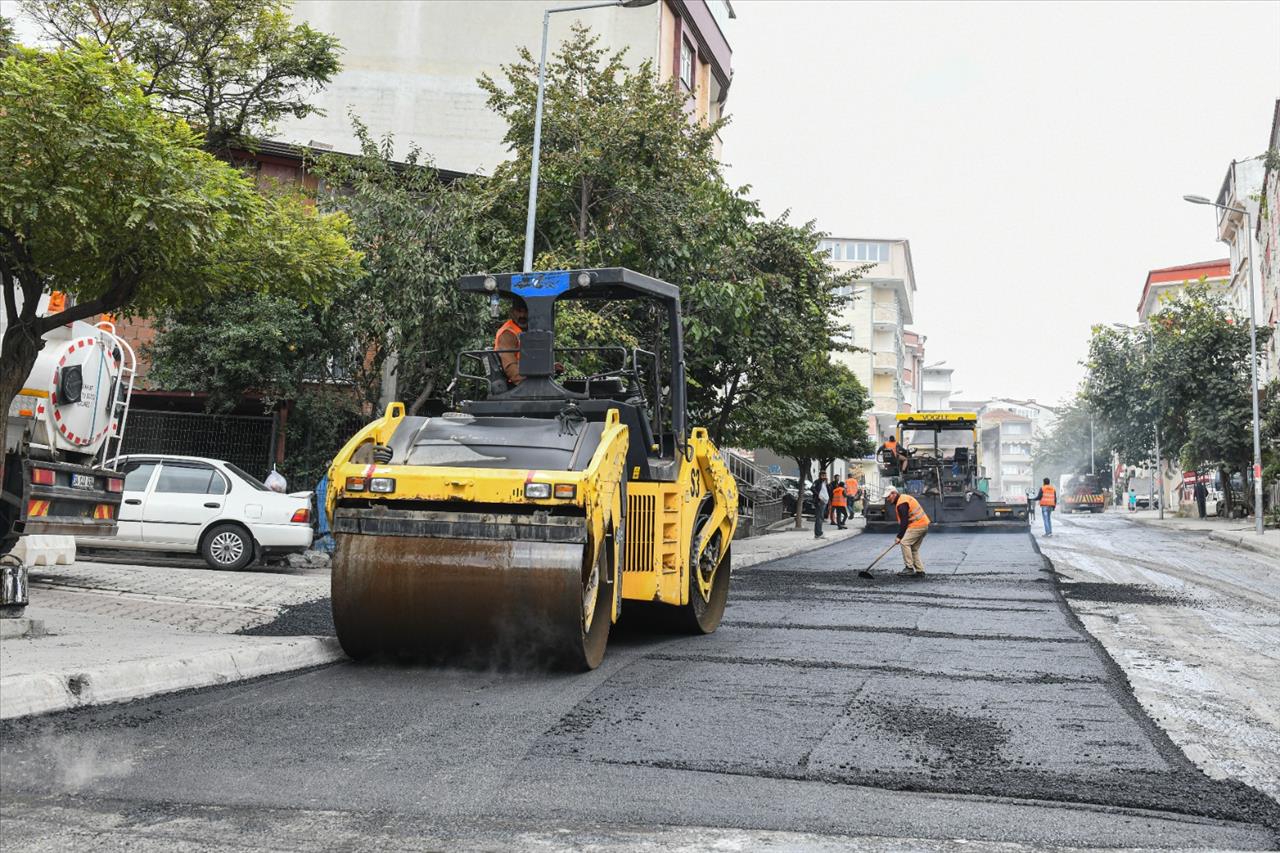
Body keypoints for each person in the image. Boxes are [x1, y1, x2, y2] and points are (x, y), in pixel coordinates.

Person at [885, 486, 929, 575]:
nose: (887, 499)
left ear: (894, 494)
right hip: (924, 525)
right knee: (914, 549)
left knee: (904, 542)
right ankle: (920, 571)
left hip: (917, 525)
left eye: (888, 496)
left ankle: (909, 568)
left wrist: (899, 537)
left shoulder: (902, 503)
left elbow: (904, 522)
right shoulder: (903, 499)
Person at [493, 298, 529, 385]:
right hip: (515, 384)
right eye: (519, 311)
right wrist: (527, 386)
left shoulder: (524, 331)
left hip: (526, 376)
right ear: (511, 312)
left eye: (525, 311)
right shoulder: (508, 333)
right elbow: (510, 366)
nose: (522, 315)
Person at [811, 471, 830, 539]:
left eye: (825, 475)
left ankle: (819, 533)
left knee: (821, 517)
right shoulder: (817, 481)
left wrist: (827, 484)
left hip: (824, 502)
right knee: (819, 517)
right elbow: (812, 488)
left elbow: (828, 491)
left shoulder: (825, 483)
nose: (824, 477)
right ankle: (818, 533)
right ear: (820, 476)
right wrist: (818, 495)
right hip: (819, 501)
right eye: (823, 475)